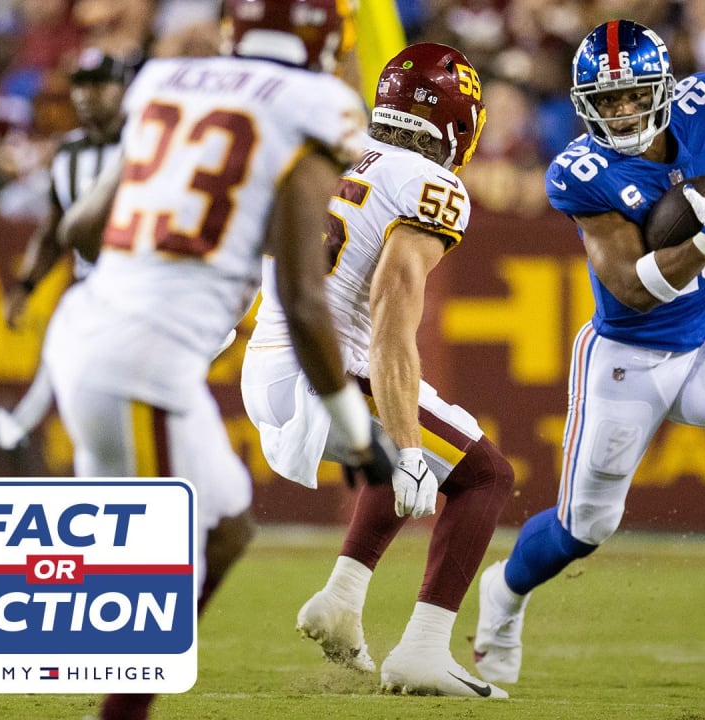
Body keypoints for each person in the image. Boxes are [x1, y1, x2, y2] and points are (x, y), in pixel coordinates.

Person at [44, 1, 389, 718]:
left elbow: (80, 229)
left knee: (227, 526)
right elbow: (300, 298)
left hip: (98, 331)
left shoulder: (167, 80)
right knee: (159, 563)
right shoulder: (316, 105)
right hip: (143, 358)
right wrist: (355, 432)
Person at [473, 19, 705, 684]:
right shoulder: (585, 173)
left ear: (663, 88)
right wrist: (703, 240)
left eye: (631, 94)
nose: (621, 110)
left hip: (704, 345)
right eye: (605, 100)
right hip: (625, 358)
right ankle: (503, 592)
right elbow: (632, 291)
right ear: (584, 103)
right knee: (583, 529)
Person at [240, 43, 515, 699]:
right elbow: (391, 315)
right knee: (483, 475)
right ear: (457, 121)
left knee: (412, 442)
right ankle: (422, 650)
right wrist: (412, 444)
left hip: (268, 366)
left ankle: (342, 598)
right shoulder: (430, 183)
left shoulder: (336, 151)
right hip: (328, 378)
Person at [0, 47, 131, 451]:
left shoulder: (147, 141)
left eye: (99, 84)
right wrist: (26, 285)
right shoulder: (67, 153)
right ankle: (20, 426)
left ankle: (20, 425)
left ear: (123, 88)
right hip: (94, 284)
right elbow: (53, 230)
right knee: (65, 350)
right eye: (80, 86)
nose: (87, 95)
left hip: (145, 285)